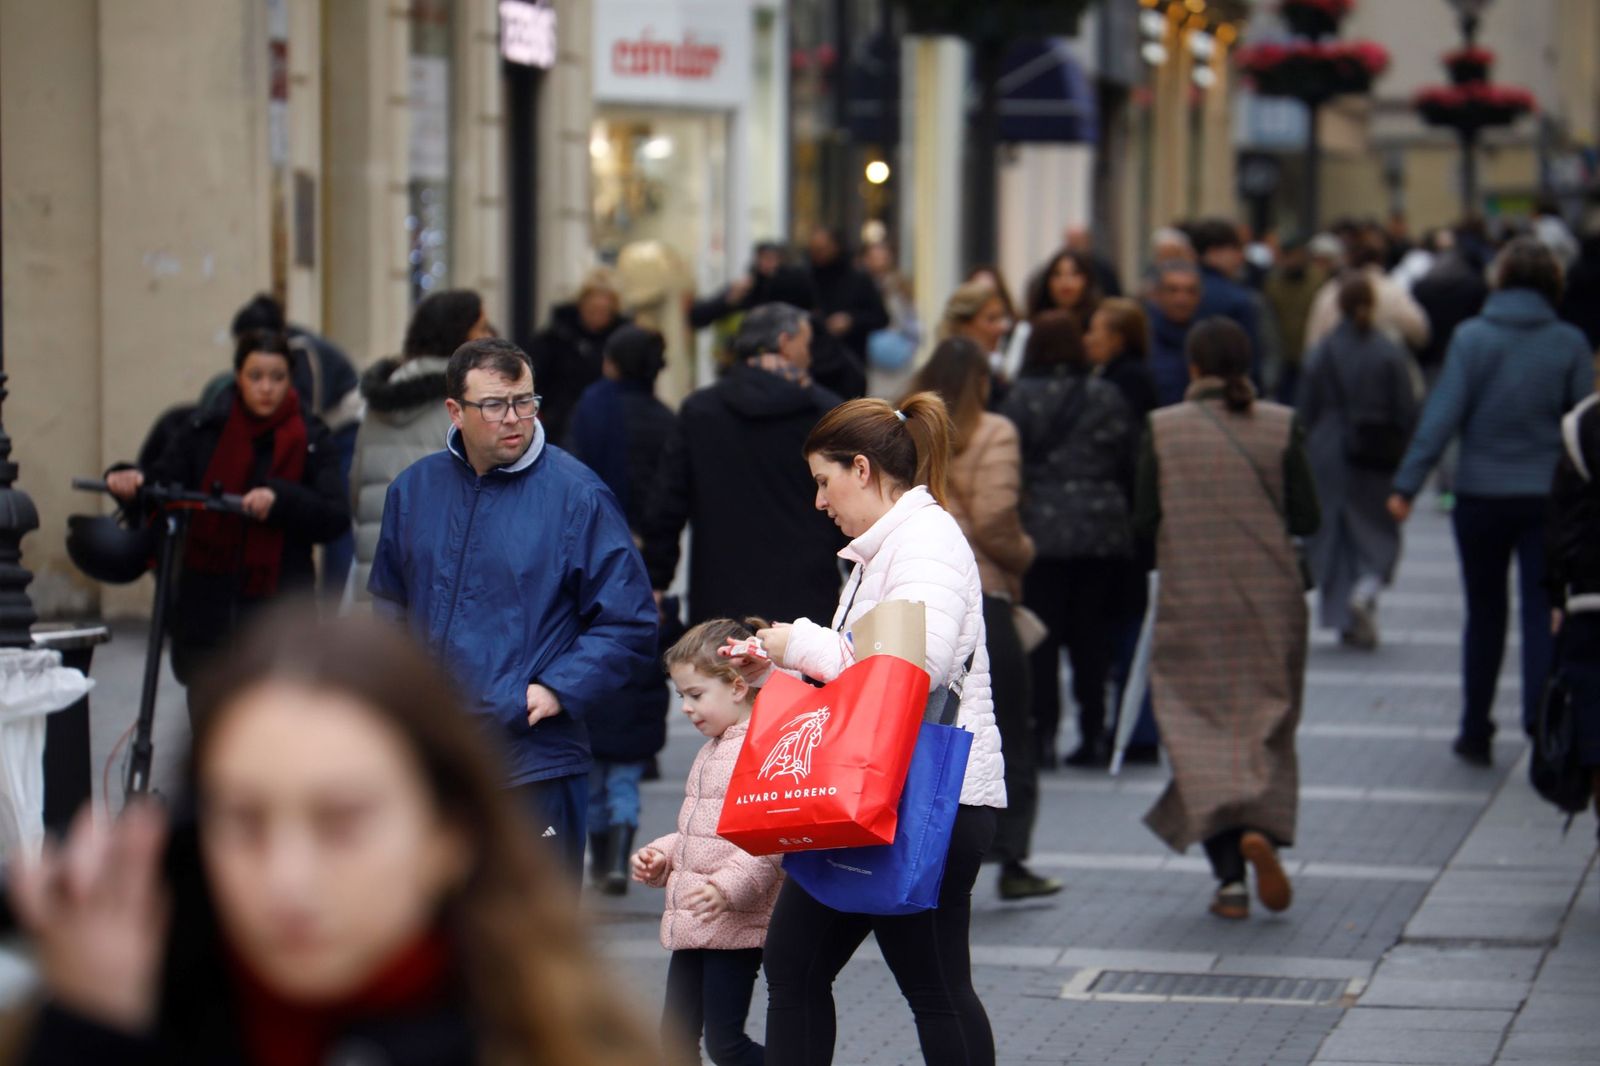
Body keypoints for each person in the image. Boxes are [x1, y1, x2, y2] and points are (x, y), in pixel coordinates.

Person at [7, 609, 665, 1065]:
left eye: (342, 822)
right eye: (244, 821)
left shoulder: (555, 1038)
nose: (286, 877)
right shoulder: (106, 1021)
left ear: (448, 837)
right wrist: (91, 1034)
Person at [726, 393, 1005, 1066]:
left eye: (824, 481)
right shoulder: (888, 547)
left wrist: (801, 644)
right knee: (800, 967)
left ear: (861, 469)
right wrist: (781, 664)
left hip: (924, 799)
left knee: (931, 988)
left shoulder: (925, 541)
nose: (820, 502)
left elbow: (915, 667)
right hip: (884, 796)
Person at [367, 337, 658, 874]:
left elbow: (630, 620)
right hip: (432, 756)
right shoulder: (412, 491)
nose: (514, 418)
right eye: (495, 405)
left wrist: (558, 687)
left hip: (533, 759)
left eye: (525, 401)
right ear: (454, 410)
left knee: (530, 943)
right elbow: (388, 604)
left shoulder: (578, 495)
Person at [1134, 316, 1320, 920]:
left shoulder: (1162, 430)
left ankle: (1229, 880)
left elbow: (1143, 522)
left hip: (1192, 600)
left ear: (1192, 367)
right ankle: (1258, 829)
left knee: (1196, 732)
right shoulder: (1281, 425)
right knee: (1264, 722)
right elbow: (1308, 515)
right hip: (1271, 601)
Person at [1389, 238, 1596, 765]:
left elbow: (1443, 416)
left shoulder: (1471, 339)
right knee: (1542, 610)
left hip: (1480, 494)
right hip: (1547, 499)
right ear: (1554, 282)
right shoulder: (1570, 342)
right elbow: (1581, 425)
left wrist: (1406, 485)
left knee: (1483, 614)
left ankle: (1475, 728)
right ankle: (1540, 726)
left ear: (1498, 281)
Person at [106, 330, 350, 697]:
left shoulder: (312, 438)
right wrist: (130, 479)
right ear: (239, 377)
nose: (266, 387)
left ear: (290, 379)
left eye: (277, 377)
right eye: (256, 376)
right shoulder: (204, 429)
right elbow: (162, 484)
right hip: (207, 617)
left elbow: (334, 515)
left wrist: (280, 500)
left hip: (280, 616)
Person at [908, 338, 1055, 900]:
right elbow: (995, 517)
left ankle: (925, 847)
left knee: (924, 726)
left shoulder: (904, 427)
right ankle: (1012, 857)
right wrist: (1021, 556)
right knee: (1007, 725)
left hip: (914, 589)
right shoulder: (994, 431)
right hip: (982, 590)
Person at [632, 618, 785, 1066]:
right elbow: (700, 832)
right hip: (695, 921)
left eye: (695, 695)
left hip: (735, 925)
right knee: (673, 1039)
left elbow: (769, 839)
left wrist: (725, 888)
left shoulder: (759, 747)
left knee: (726, 1045)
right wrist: (663, 854)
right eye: (681, 695)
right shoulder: (712, 748)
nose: (685, 707)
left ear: (737, 687)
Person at [642, 303, 845, 626]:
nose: (811, 355)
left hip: (720, 596)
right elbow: (848, 500)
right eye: (806, 344)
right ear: (784, 342)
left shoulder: (700, 411)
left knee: (720, 673)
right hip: (806, 597)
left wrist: (655, 579)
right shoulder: (828, 414)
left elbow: (667, 503)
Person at [565, 325, 677, 891]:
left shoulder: (591, 412)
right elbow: (671, 500)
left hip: (592, 561)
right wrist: (655, 568)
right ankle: (617, 859)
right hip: (646, 570)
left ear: (611, 365)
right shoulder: (664, 421)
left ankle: (600, 854)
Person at [1002, 311, 1135, 769]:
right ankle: (1095, 732)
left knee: (1043, 639)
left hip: (1042, 531)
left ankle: (1043, 736)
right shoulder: (1106, 395)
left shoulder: (1019, 398)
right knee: (1090, 638)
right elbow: (1126, 458)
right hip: (1100, 533)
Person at [348, 288, 493, 605]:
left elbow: (356, 488)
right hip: (440, 576)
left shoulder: (379, 400)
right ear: (459, 333)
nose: (488, 337)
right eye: (481, 328)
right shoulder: (466, 403)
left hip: (374, 571)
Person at [1298, 275, 1420, 649]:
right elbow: (1407, 408)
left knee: (1335, 537)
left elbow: (1306, 407)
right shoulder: (1388, 351)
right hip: (1376, 449)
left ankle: (1343, 617)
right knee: (1378, 531)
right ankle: (1367, 589)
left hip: (1327, 449)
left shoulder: (1323, 351)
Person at [229, 294, 363, 597]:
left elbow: (306, 411)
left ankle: (334, 600)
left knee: (334, 514)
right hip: (324, 428)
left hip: (342, 430)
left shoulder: (300, 352)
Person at [1083, 298, 1162, 762]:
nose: (1089, 338)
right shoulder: (1123, 377)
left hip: (1128, 526)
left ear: (1118, 337)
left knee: (1131, 631)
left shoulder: (1125, 383)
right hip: (1129, 524)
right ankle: (1134, 727)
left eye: (1096, 330)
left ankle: (1138, 730)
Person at [1546, 381, 1600, 833]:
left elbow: (1561, 522)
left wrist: (1554, 594)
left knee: (1592, 715)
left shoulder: (1581, 427)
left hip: (1588, 598)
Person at [528, 268, 630, 445]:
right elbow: (537, 377)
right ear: (581, 304)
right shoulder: (557, 337)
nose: (598, 315)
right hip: (561, 425)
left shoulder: (623, 342)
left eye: (603, 310)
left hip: (611, 424)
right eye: (593, 308)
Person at [1304, 233, 1430, 355]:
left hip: (1337, 368)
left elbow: (1313, 345)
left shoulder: (1329, 292)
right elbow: (1420, 332)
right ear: (1380, 260)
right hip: (1382, 367)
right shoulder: (1391, 289)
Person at [806, 226, 890, 367]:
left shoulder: (858, 279)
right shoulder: (806, 278)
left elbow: (880, 317)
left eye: (822, 249)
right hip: (814, 361)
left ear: (835, 247)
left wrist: (851, 321)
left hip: (851, 361)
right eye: (814, 250)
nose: (819, 255)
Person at [1262, 237, 1328, 404]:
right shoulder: (1273, 283)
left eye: (1297, 255)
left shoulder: (1318, 281)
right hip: (1283, 356)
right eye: (1289, 256)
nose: (1293, 260)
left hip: (1311, 353)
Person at [1145, 260, 1206, 407]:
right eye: (1173, 290)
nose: (1182, 299)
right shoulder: (1144, 340)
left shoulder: (1208, 343)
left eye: (1190, 291)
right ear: (1157, 294)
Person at [1024, 248, 1103, 330]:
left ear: (1087, 280)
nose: (1065, 282)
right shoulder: (1032, 326)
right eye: (1057, 274)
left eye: (1074, 274)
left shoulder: (1097, 326)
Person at [1064, 225, 1125, 298]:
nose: (1074, 246)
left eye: (1077, 241)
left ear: (1087, 241)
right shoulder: (1061, 265)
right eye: (1071, 242)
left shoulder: (1103, 268)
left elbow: (1115, 296)